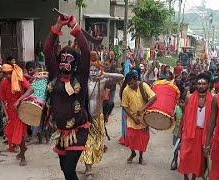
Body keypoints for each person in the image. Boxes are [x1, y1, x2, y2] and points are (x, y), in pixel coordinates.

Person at [44, 15, 91, 180]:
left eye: (69, 59)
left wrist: (74, 27)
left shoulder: (81, 77)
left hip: (78, 131)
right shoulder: (55, 75)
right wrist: (57, 26)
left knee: (70, 169)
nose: (65, 62)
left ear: (75, 63)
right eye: (62, 58)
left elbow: (86, 51)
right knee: (65, 170)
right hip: (60, 131)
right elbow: (47, 50)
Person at [79, 51, 124, 179]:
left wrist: (104, 74)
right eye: (91, 69)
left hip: (98, 116)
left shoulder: (103, 80)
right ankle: (88, 168)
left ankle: (89, 165)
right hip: (85, 117)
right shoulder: (83, 81)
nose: (93, 72)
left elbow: (120, 77)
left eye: (95, 69)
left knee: (95, 142)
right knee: (86, 141)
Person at [178, 73, 213, 180]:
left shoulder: (213, 99)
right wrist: (180, 130)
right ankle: (185, 177)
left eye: (204, 84)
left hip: (203, 133)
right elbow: (184, 115)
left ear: (208, 85)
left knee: (197, 159)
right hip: (189, 132)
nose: (201, 86)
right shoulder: (189, 97)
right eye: (199, 83)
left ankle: (193, 177)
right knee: (185, 156)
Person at [121, 71, 157, 165]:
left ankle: (141, 157)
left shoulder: (143, 85)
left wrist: (142, 109)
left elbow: (154, 97)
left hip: (144, 118)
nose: (131, 85)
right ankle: (133, 153)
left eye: (132, 83)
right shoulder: (126, 90)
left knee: (143, 138)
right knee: (130, 137)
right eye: (129, 84)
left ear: (136, 79)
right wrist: (133, 118)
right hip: (131, 117)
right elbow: (125, 106)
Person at [0, 63, 30, 166]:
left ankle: (23, 156)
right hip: (11, 112)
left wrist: (19, 100)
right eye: (5, 74)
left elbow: (31, 89)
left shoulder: (19, 78)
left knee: (19, 134)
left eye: (9, 73)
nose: (8, 76)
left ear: (12, 72)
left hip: (21, 109)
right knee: (11, 135)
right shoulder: (3, 83)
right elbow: (2, 100)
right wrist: (6, 113)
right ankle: (22, 150)